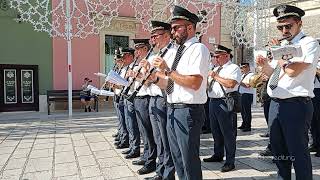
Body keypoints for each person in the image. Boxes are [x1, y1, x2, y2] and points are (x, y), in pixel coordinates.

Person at [256, 5, 320, 180]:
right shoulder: (284, 46)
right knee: (279, 154)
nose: (283, 31)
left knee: (298, 154)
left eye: (288, 26)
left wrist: (279, 55)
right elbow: (274, 74)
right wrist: (264, 65)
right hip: (275, 103)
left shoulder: (308, 43)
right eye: (280, 27)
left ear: (299, 23)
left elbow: (293, 72)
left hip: (296, 105)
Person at [153, 5, 210, 179]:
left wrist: (168, 71)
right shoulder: (178, 51)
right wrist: (153, 79)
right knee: (177, 158)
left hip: (188, 111)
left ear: (190, 27)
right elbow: (169, 84)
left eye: (177, 27)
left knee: (188, 159)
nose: (173, 32)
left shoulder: (198, 49)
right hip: (172, 108)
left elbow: (194, 82)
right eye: (172, 28)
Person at [141, 20, 176, 180]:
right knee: (158, 139)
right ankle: (160, 171)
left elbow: (171, 80)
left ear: (167, 35)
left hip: (164, 98)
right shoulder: (157, 55)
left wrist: (159, 72)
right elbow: (149, 81)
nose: (153, 40)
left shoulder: (173, 53)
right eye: (152, 37)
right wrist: (146, 72)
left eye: (156, 36)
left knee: (165, 139)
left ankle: (168, 173)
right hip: (153, 98)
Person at [203, 45, 241, 172]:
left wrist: (215, 76)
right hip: (213, 101)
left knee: (228, 133)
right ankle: (218, 154)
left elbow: (231, 84)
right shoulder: (216, 68)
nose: (215, 59)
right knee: (215, 131)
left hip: (225, 102)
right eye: (214, 56)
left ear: (226, 56)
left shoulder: (233, 68)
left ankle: (230, 161)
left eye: (218, 56)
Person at [238, 63, 254, 132]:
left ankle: (248, 126)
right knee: (243, 111)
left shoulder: (251, 75)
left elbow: (248, 85)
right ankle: (244, 123)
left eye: (243, 67)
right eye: (241, 68)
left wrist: (239, 82)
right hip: (242, 94)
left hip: (247, 94)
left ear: (248, 67)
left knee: (247, 111)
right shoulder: (243, 75)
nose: (242, 69)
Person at [309, 61, 320, 156]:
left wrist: (315, 69)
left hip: (318, 91)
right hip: (310, 90)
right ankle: (315, 143)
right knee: (312, 120)